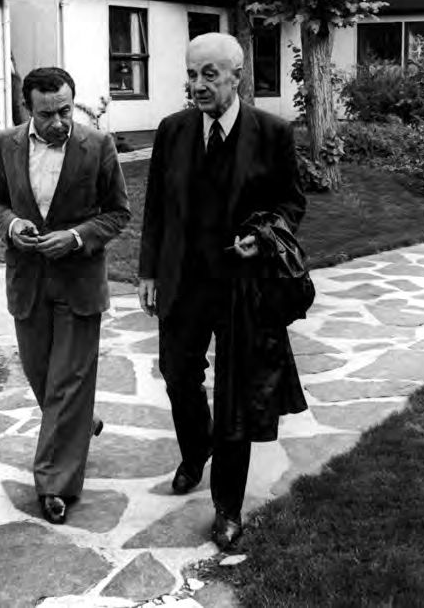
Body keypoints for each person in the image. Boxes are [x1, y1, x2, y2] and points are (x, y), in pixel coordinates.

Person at [138, 32, 308, 551]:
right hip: (184, 282)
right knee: (176, 374)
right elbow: (157, 208)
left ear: (237, 77)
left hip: (242, 286)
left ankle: (227, 508)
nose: (197, 85)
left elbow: (291, 203)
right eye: (191, 74)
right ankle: (196, 451)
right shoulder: (173, 130)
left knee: (236, 395)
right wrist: (148, 272)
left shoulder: (272, 133)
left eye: (209, 74)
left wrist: (262, 237)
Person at [0, 66, 131, 525]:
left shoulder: (98, 145)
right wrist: (11, 226)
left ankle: (54, 485)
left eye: (65, 110)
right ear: (27, 108)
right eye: (47, 113)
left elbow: (118, 213)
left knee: (67, 382)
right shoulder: (5, 144)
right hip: (27, 281)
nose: (58, 122)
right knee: (41, 374)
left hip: (79, 281)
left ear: (74, 102)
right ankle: (78, 423)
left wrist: (75, 237)